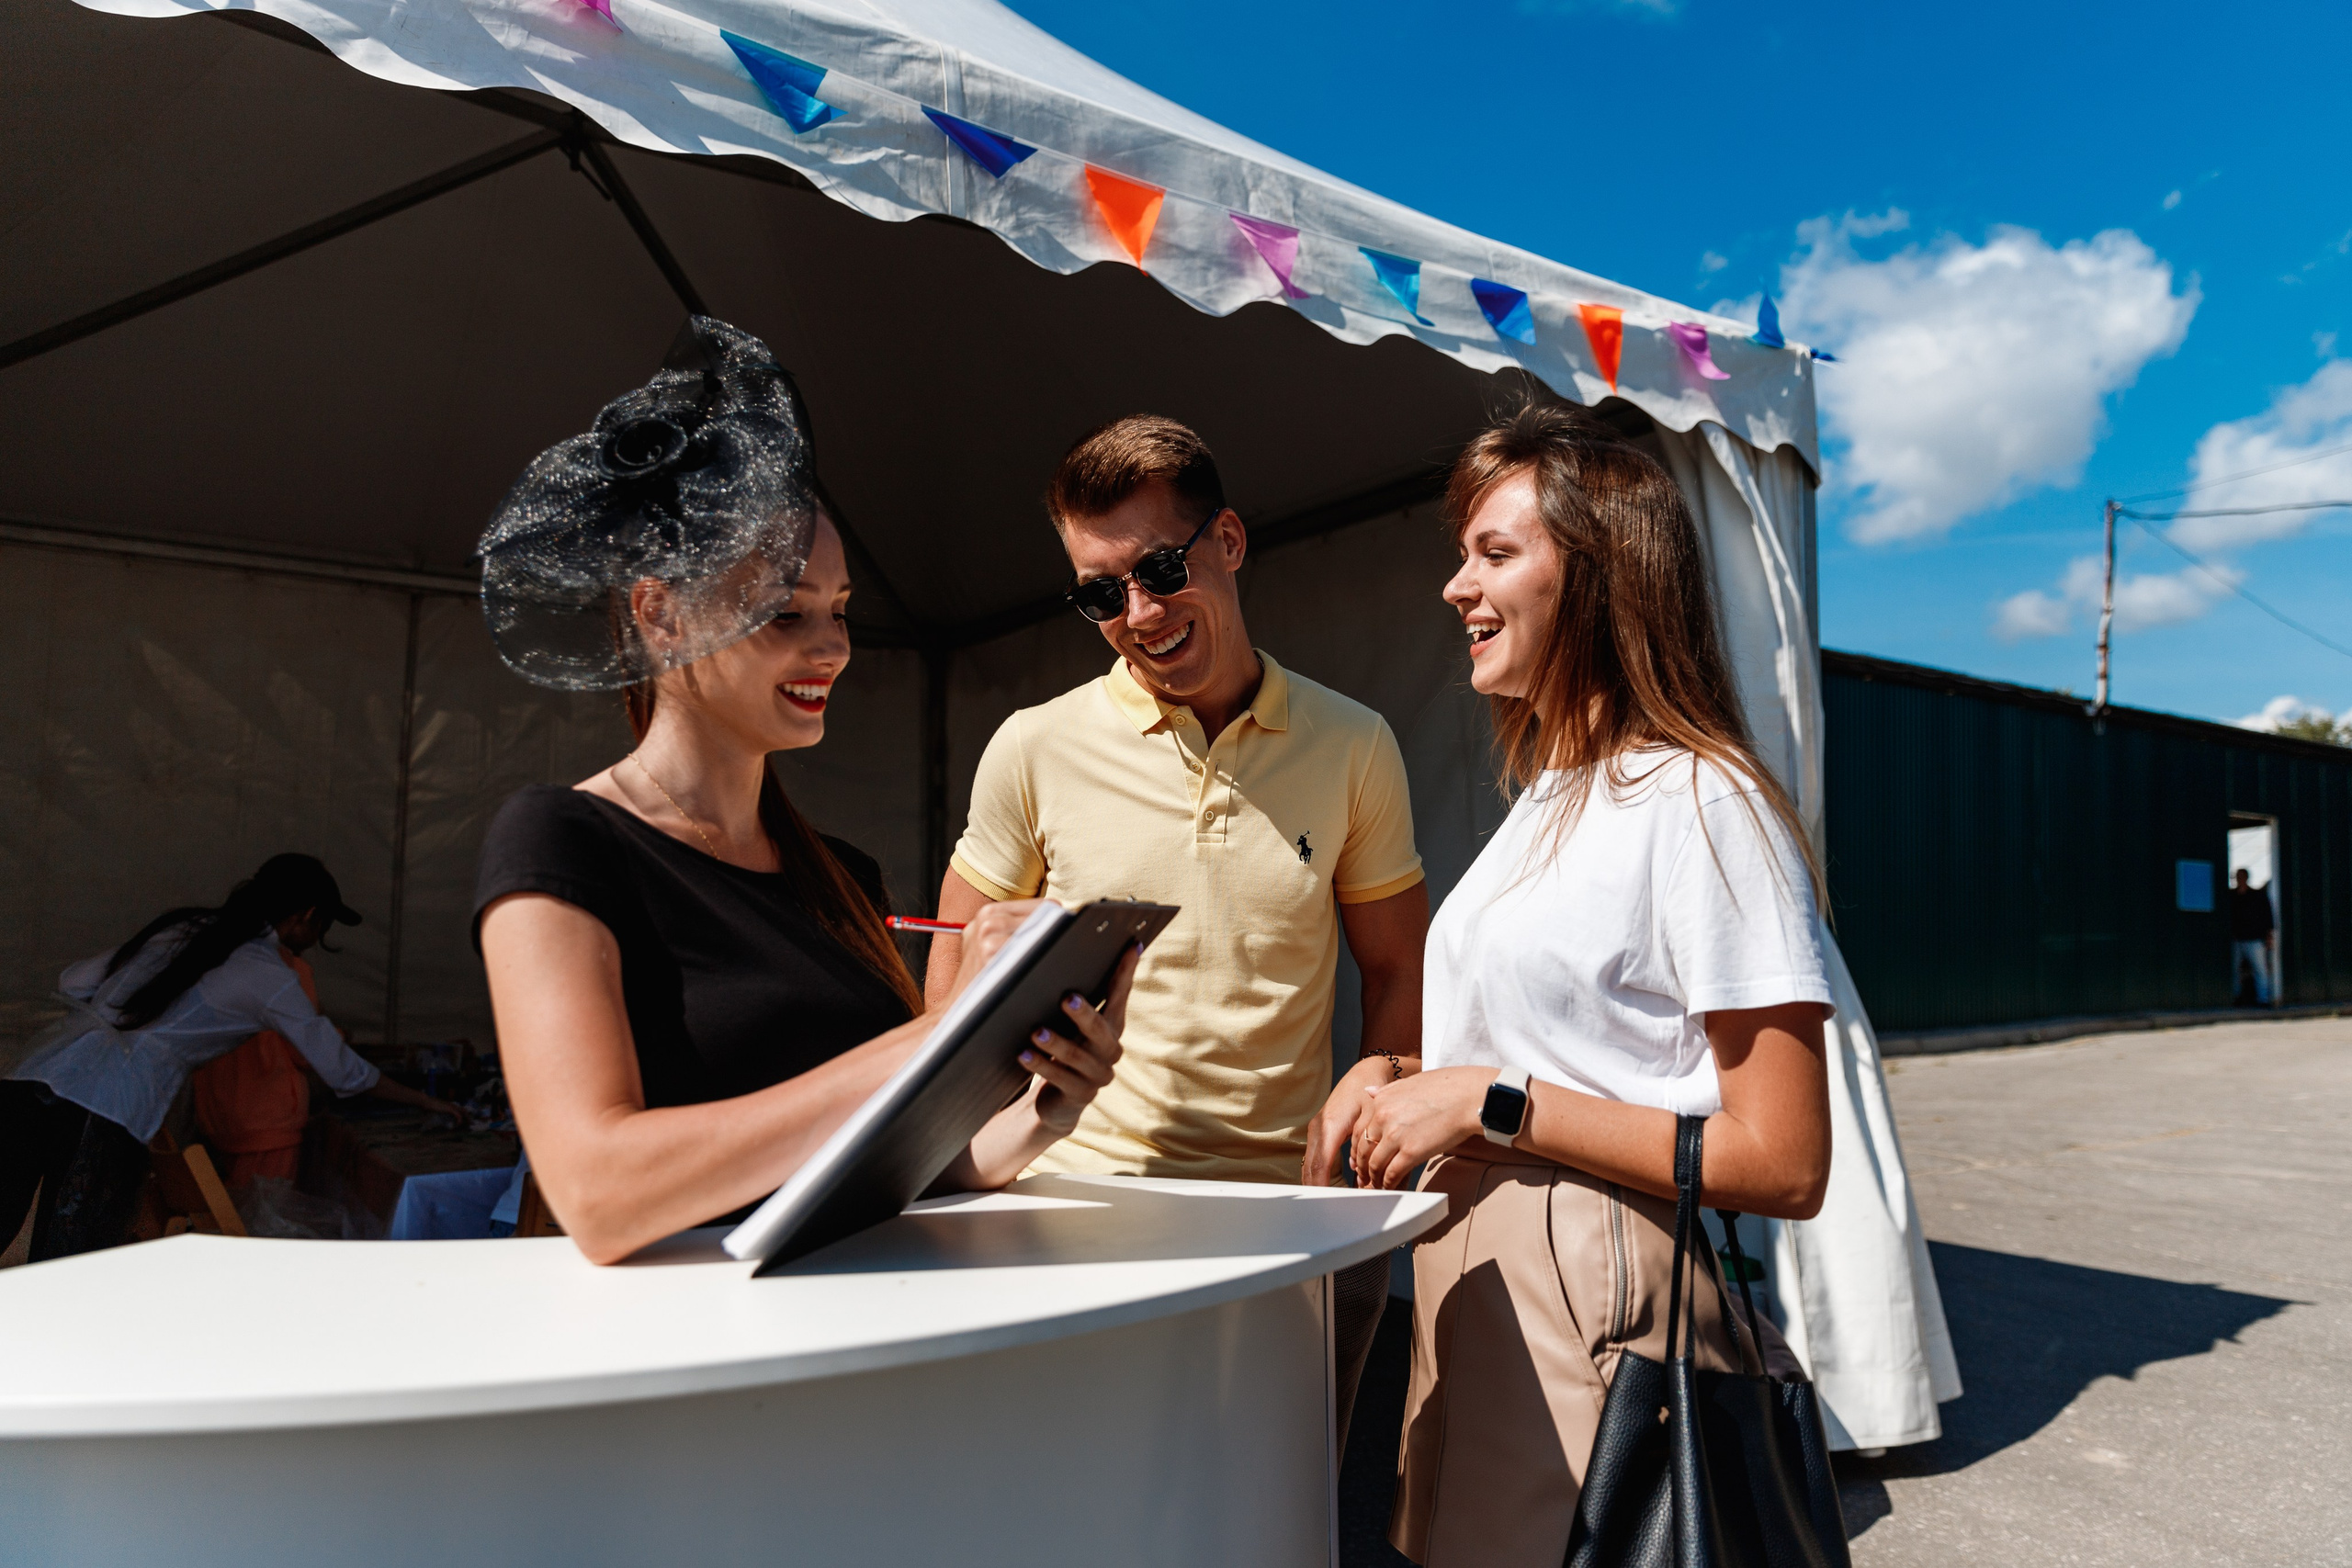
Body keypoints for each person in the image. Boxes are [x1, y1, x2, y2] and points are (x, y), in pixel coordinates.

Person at [471, 317, 1135, 1266]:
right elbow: (598, 1194)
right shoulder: (562, 841)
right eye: (784, 613)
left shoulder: (842, 877)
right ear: (658, 613)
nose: (830, 649)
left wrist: (1038, 1109)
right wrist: (941, 1036)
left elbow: (895, 1165)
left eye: (840, 612)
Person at [1328, 402, 1836, 1567]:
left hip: (1591, 1285)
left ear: (1602, 576)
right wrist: (1393, 1078)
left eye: (1495, 554)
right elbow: (1557, 1047)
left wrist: (1483, 1102)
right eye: (1463, 554)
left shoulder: (1702, 801)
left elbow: (1784, 1159)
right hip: (1473, 1268)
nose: (1456, 586)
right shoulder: (1552, 797)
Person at [926, 414, 1429, 1450]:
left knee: (1284, 1512)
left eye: (1159, 569)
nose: (1138, 614)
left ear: (1229, 541)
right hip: (1077, 1207)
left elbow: (1397, 970)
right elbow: (946, 979)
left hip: (1289, 1220)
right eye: (1100, 594)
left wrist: (1374, 1093)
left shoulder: (1355, 744)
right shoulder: (1032, 747)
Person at [1, 853, 460, 1260]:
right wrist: (426, 1102)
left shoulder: (183, 927)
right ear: (306, 916)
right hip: (108, 1104)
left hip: (36, 1074)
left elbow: (73, 981)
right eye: (321, 928)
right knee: (71, 1258)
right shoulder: (270, 974)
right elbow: (343, 1070)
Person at [2230, 867, 2276, 1006]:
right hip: (2236, 939)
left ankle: (2263, 999)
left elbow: (2268, 915)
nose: (2240, 879)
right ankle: (2236, 998)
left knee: (2260, 970)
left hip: (2255, 939)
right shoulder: (2232, 896)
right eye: (2237, 877)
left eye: (2242, 876)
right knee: (2234, 970)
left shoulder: (2257, 895)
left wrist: (2269, 935)